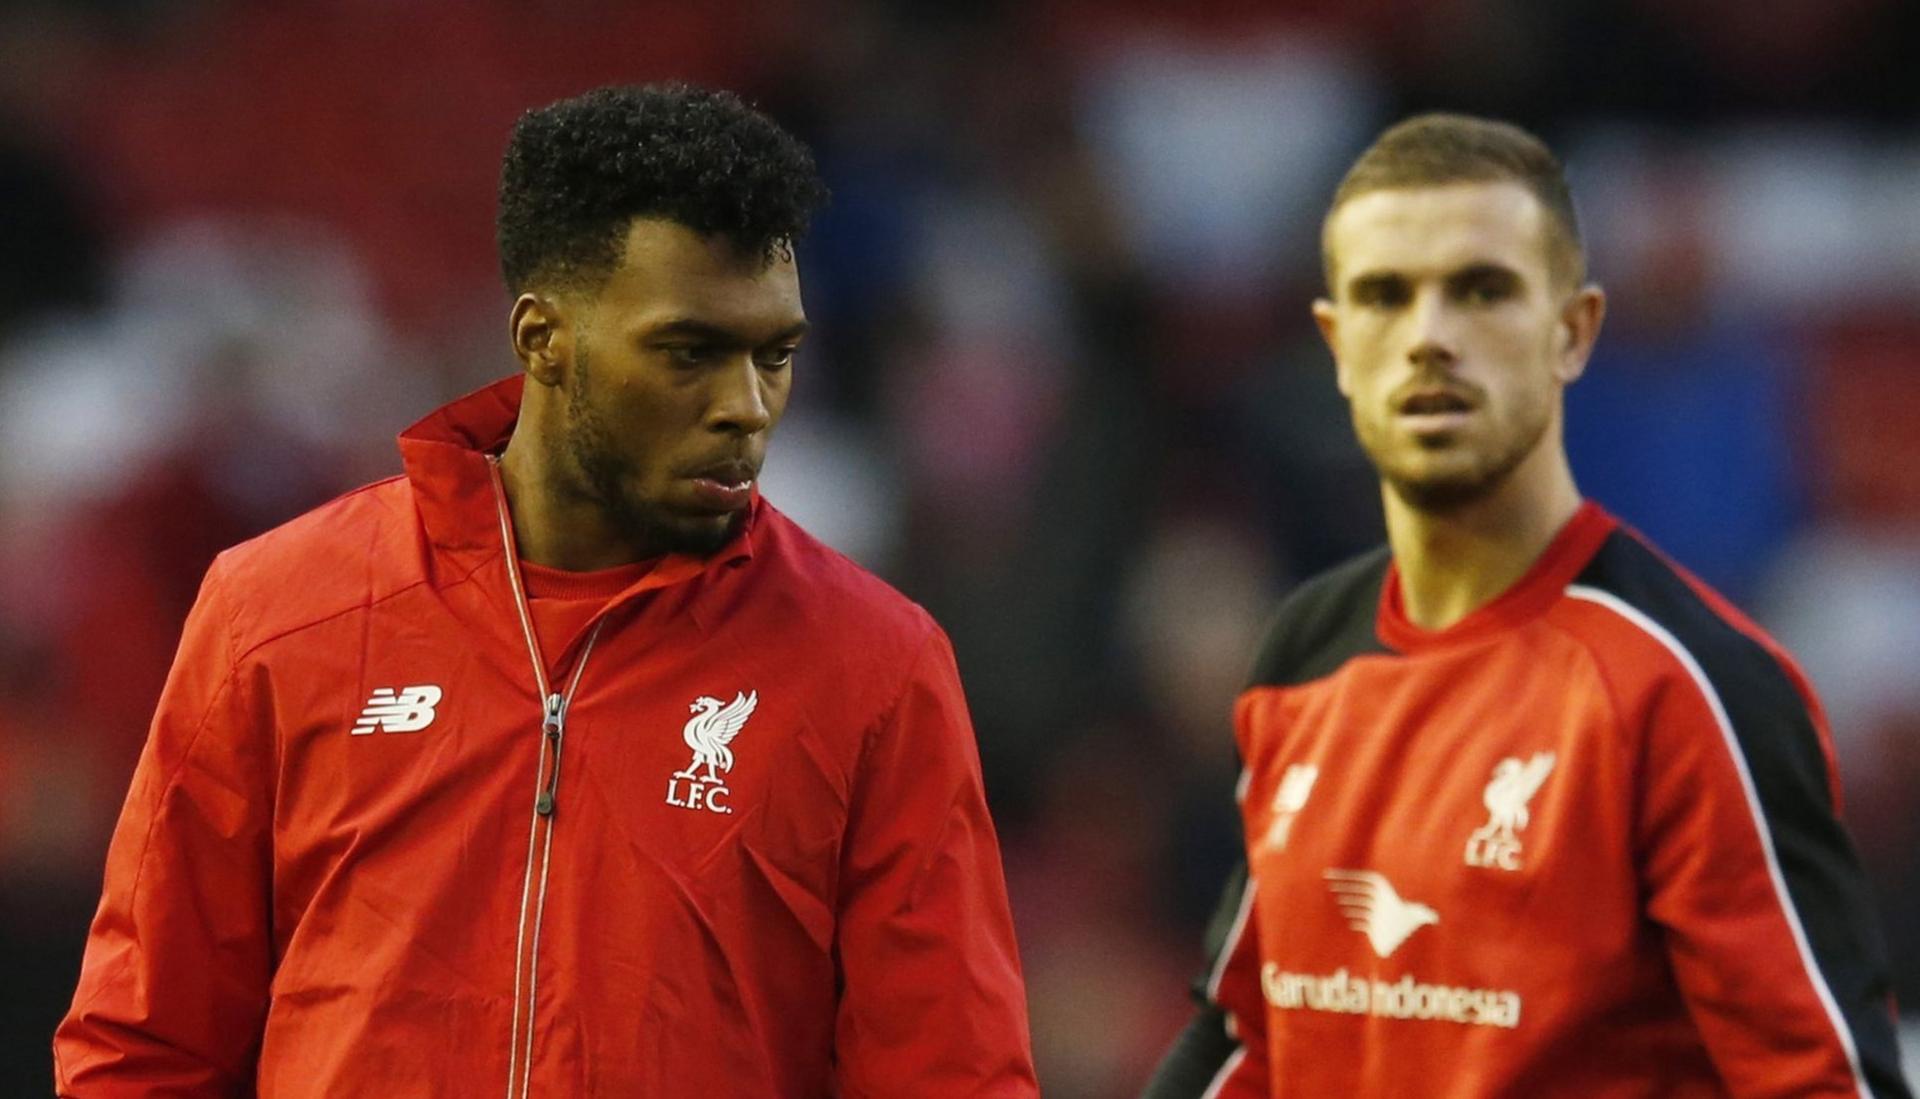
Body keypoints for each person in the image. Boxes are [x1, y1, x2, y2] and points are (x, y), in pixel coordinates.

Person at [54, 83, 1038, 1098]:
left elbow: (949, 1074)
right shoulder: (277, 613)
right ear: (542, 338)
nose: (746, 409)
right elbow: (144, 1047)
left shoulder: (873, 667)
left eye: (773, 354)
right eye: (688, 352)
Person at [1142, 113, 1910, 1098]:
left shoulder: (1694, 691)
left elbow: (1825, 1081)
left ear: (1573, 332)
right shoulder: (1305, 650)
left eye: (1481, 291)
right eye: (1386, 296)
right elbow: (1248, 1035)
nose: (1429, 340)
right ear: (1337, 344)